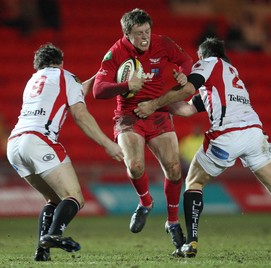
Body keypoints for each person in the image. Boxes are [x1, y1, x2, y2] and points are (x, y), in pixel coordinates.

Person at [133, 37, 271, 258]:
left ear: (203, 55)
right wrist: (155, 103)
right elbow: (188, 109)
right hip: (255, 135)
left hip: (228, 135)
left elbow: (188, 88)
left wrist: (152, 103)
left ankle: (191, 242)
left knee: (193, 182)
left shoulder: (208, 63)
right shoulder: (231, 73)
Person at [6, 43, 124, 261]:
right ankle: (54, 235)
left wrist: (98, 75)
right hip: (39, 141)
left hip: (14, 145)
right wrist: (108, 144)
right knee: (74, 197)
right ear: (60, 62)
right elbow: (80, 114)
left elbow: (75, 89)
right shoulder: (64, 76)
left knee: (53, 200)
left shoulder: (33, 81)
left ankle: (42, 251)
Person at [92, 8, 193, 250]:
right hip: (129, 115)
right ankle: (146, 202)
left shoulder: (163, 44)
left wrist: (183, 75)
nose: (145, 38)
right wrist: (126, 85)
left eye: (147, 31)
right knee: (135, 166)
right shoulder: (116, 52)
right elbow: (97, 90)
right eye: (139, 34)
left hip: (158, 112)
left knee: (175, 169)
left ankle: (172, 222)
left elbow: (187, 61)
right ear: (127, 34)